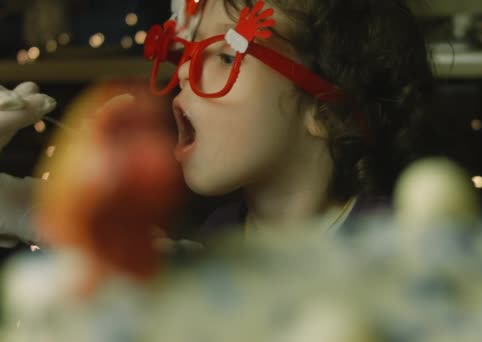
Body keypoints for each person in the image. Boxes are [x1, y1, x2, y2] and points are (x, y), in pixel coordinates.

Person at [0, 0, 434, 246]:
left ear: (327, 113)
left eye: (226, 56)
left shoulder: (398, 246)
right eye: (187, 53)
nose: (185, 73)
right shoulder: (218, 237)